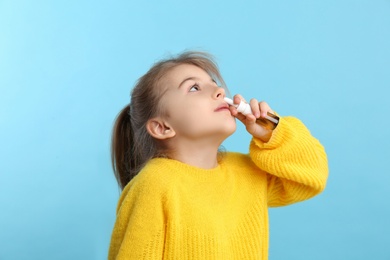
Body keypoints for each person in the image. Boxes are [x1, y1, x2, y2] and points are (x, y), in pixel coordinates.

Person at [108, 51, 328, 259]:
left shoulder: (247, 173)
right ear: (162, 127)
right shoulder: (154, 185)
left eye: (214, 83)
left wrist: (273, 131)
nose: (220, 91)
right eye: (194, 88)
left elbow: (312, 177)